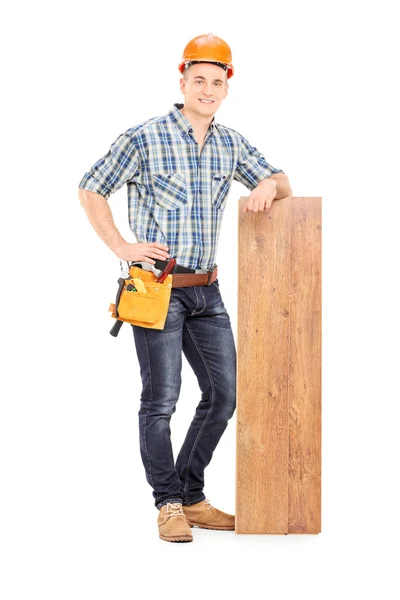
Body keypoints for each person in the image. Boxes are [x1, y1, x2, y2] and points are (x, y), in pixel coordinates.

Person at [78, 32, 293, 543]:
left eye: (217, 82)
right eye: (199, 80)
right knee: (161, 401)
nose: (208, 89)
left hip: (207, 294)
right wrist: (121, 246)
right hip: (156, 288)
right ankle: (168, 503)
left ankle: (193, 497)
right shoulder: (144, 136)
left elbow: (283, 180)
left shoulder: (230, 142)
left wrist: (268, 184)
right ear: (182, 81)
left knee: (224, 395)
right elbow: (90, 187)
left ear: (226, 87)